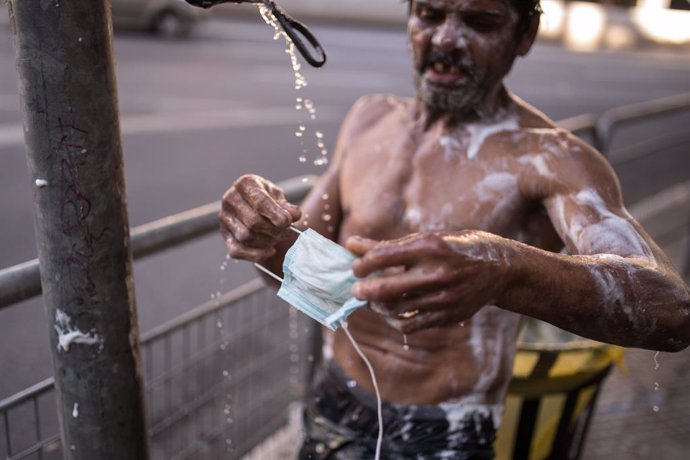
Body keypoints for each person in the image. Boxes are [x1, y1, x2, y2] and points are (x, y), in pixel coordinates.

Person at [219, 0, 690, 458]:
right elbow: (291, 268)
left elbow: (671, 312)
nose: (446, 37)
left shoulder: (551, 159)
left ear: (523, 35)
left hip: (445, 430)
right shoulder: (369, 120)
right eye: (429, 14)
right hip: (332, 403)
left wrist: (506, 268)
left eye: (479, 21)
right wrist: (262, 238)